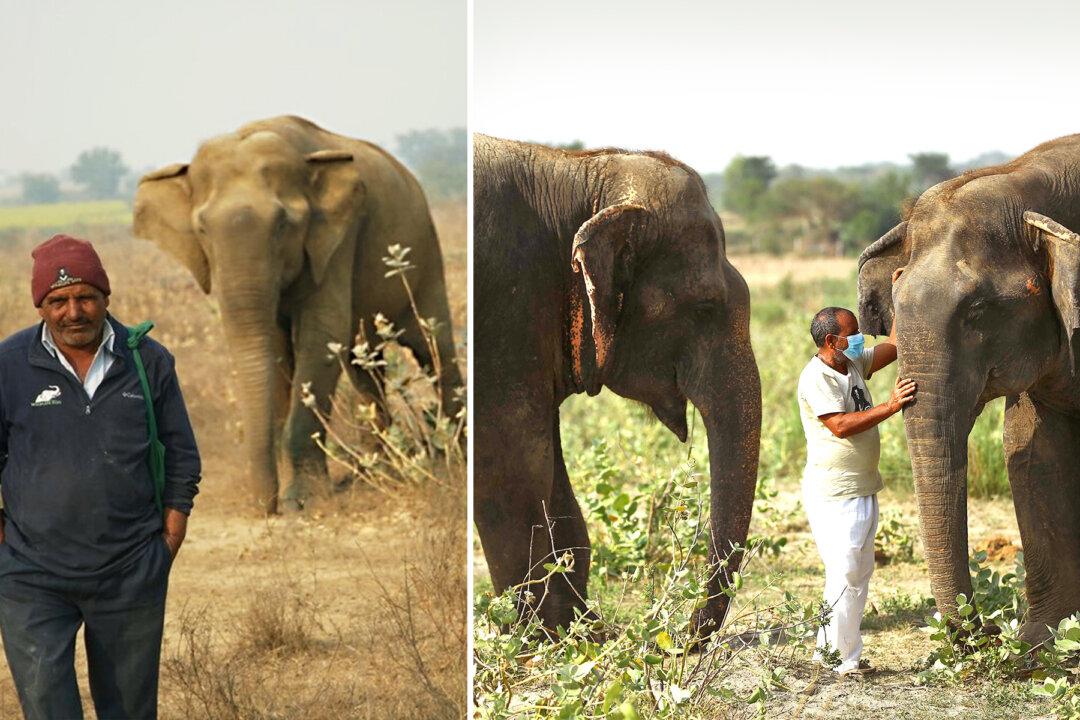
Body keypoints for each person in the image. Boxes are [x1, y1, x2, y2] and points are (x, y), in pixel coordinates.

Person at [0, 234, 201, 719]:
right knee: (48, 707)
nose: (74, 312)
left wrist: (168, 540)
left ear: (106, 297)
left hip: (130, 569)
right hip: (31, 574)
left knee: (129, 710)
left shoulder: (147, 359)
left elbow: (181, 455)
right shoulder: (8, 365)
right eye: (58, 301)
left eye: (86, 297)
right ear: (40, 307)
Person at [797, 299, 915, 676]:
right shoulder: (816, 378)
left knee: (858, 572)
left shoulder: (851, 363)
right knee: (845, 571)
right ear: (831, 341)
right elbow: (841, 425)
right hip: (835, 493)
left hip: (863, 486)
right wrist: (891, 406)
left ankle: (832, 652)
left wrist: (901, 295)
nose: (860, 339)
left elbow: (893, 346)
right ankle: (841, 660)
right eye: (853, 334)